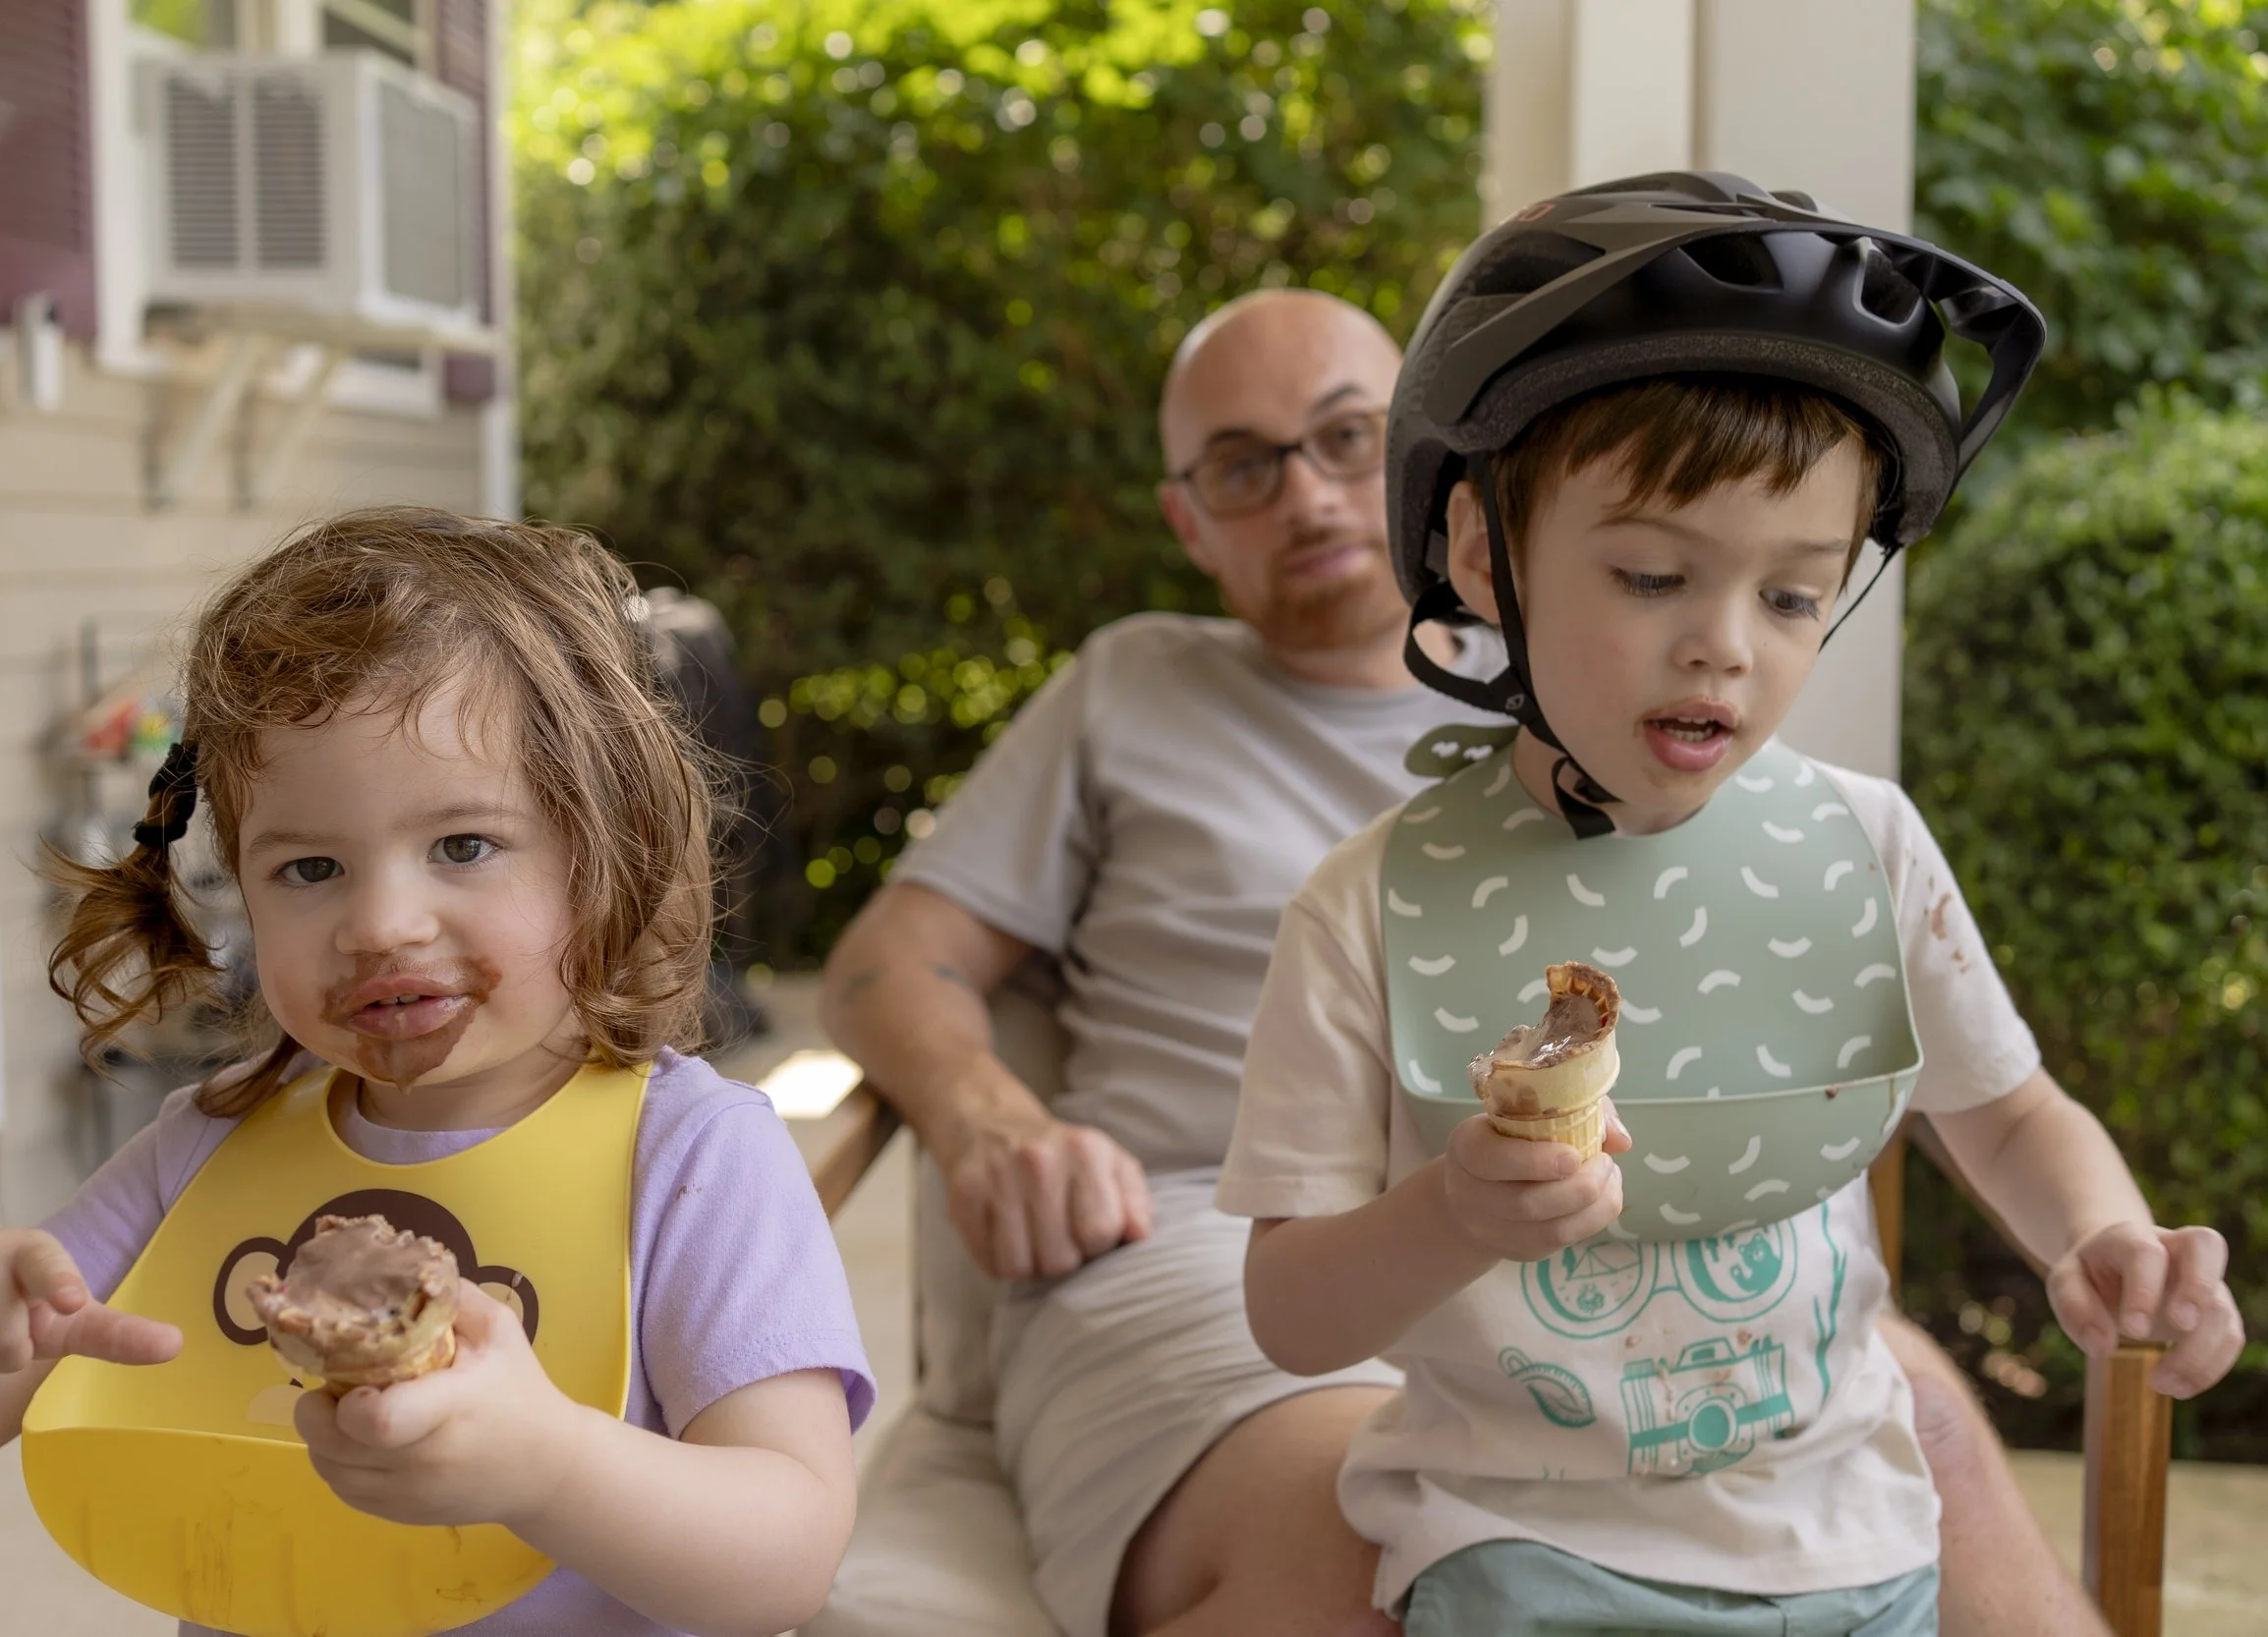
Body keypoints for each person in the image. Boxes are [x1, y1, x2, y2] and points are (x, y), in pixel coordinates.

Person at [822, 280, 2121, 1635]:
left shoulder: (1675, 707)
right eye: (1243, 467)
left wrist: (2098, 1237)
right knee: (1381, 1549)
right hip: (1212, 1230)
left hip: (1645, 1240)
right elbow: (889, 958)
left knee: (1929, 1443)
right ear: (1188, 519)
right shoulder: (1136, 695)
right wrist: (988, 1122)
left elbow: (1987, 1104)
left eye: (1342, 438)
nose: (1310, 496)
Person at [1219, 173, 2244, 1634]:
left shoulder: (1869, 845)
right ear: (1475, 556)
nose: (1723, 648)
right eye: (1652, 573)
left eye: (1790, 596)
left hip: (1858, 1540)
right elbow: (1290, 1316)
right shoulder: (1366, 906)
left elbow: (2008, 1114)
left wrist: (2102, 1235)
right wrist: (1451, 1211)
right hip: (1520, 1554)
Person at [0, 509, 874, 1637]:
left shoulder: (694, 1163)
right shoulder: (207, 1146)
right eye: (310, 866)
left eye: (463, 846)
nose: (380, 923)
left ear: (604, 846)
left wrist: (548, 1467)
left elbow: (787, 1555)